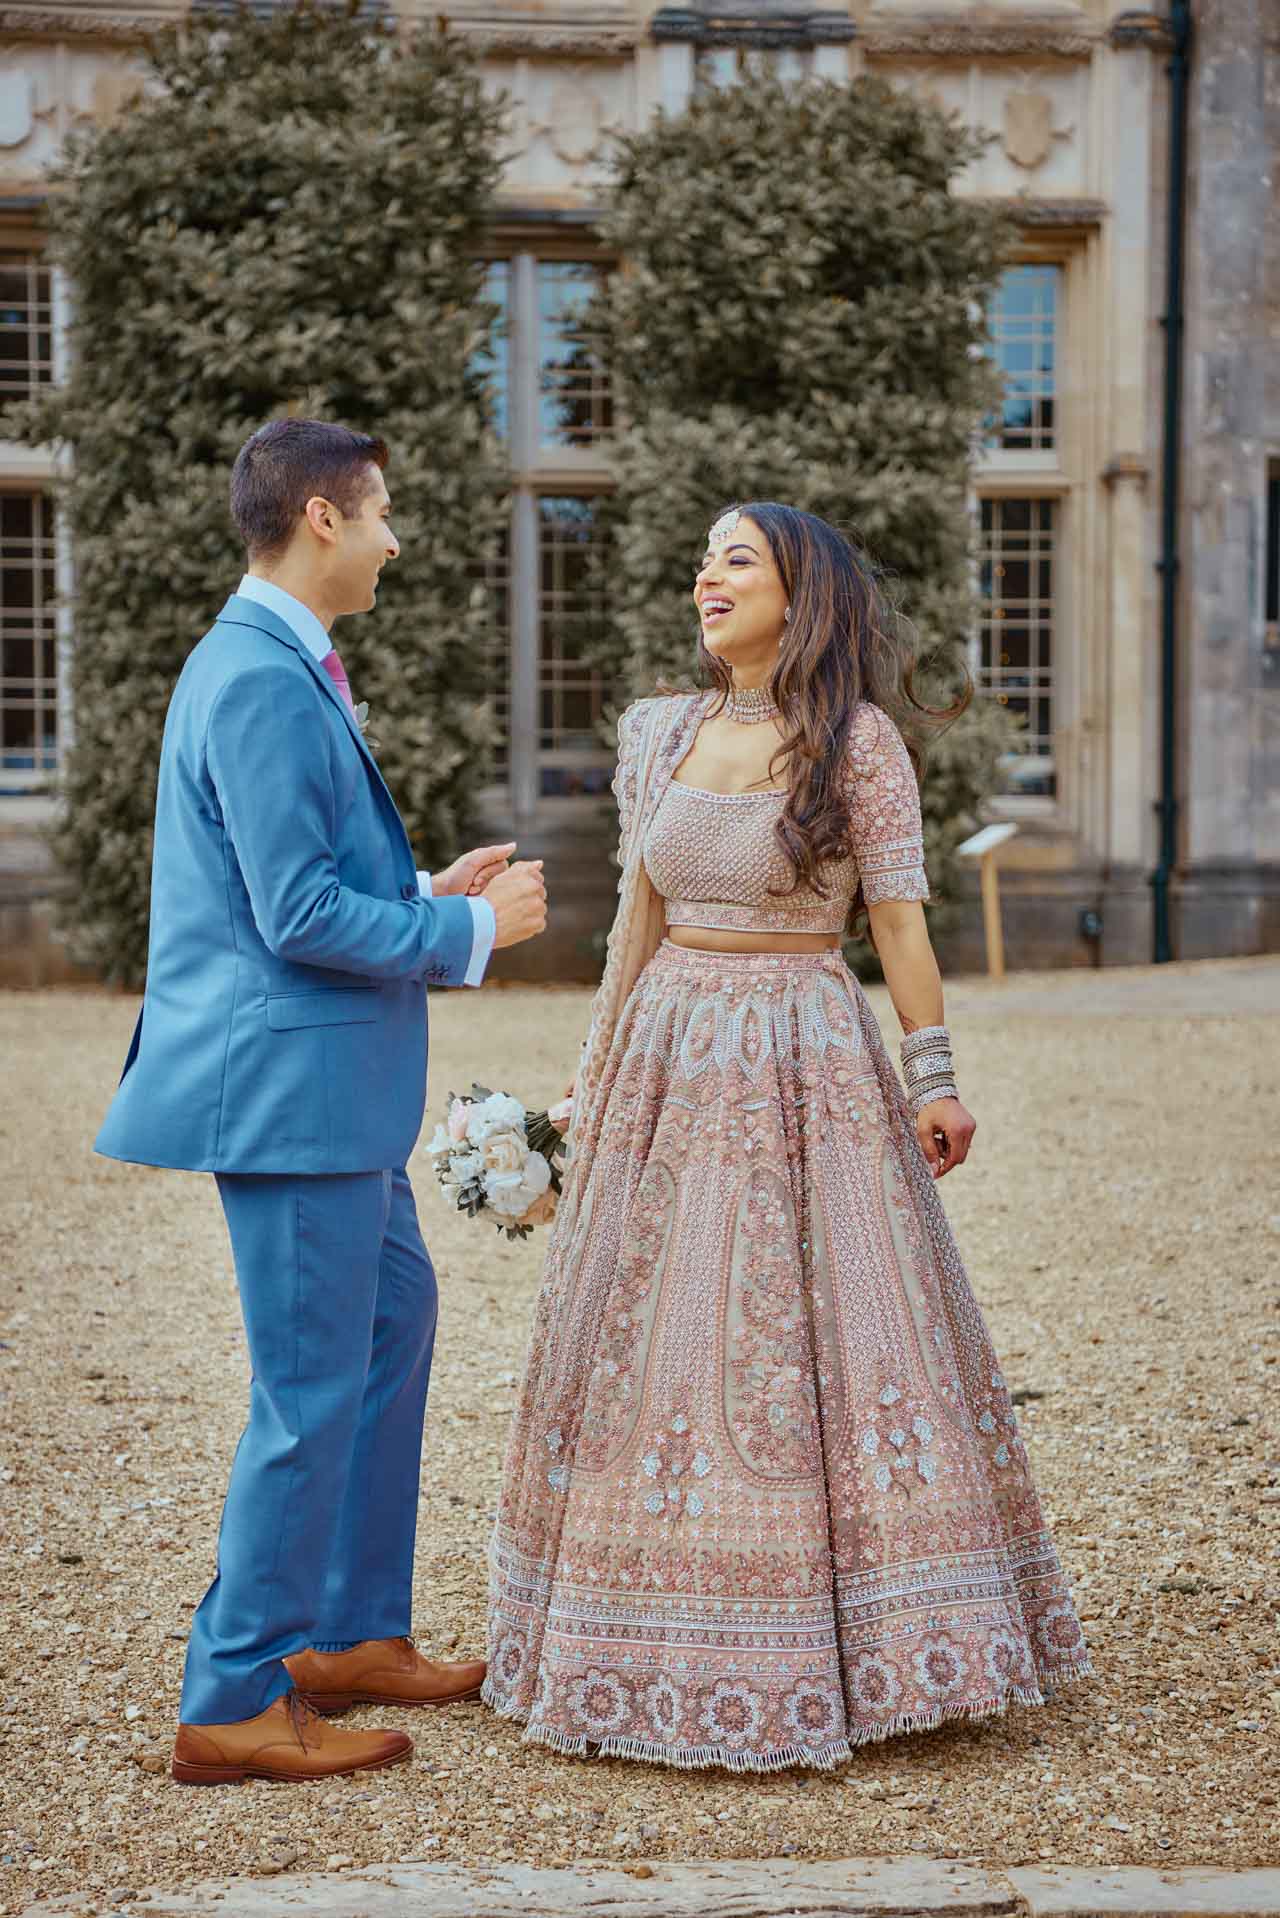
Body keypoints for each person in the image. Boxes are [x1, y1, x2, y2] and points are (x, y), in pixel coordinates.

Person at [484, 502, 1090, 1771]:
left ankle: (862, 1640)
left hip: (803, 1046)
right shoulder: (657, 730)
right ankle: (631, 1632)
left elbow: (901, 922)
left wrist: (933, 1078)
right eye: (703, 560)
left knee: (815, 1329)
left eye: (736, 560)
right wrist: (588, 1087)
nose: (706, 578)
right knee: (650, 1331)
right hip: (667, 1047)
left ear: (798, 592)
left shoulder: (857, 742)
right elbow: (635, 927)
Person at [95, 419, 547, 1785]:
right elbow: (291, 914)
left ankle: (346, 1633)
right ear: (321, 517)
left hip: (330, 1097)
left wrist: (420, 893)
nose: (395, 539)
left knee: (393, 1323)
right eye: (383, 512)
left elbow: (284, 885)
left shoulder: (281, 662)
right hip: (290, 1097)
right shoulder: (256, 673)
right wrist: (469, 936)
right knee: (305, 1392)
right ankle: (234, 1692)